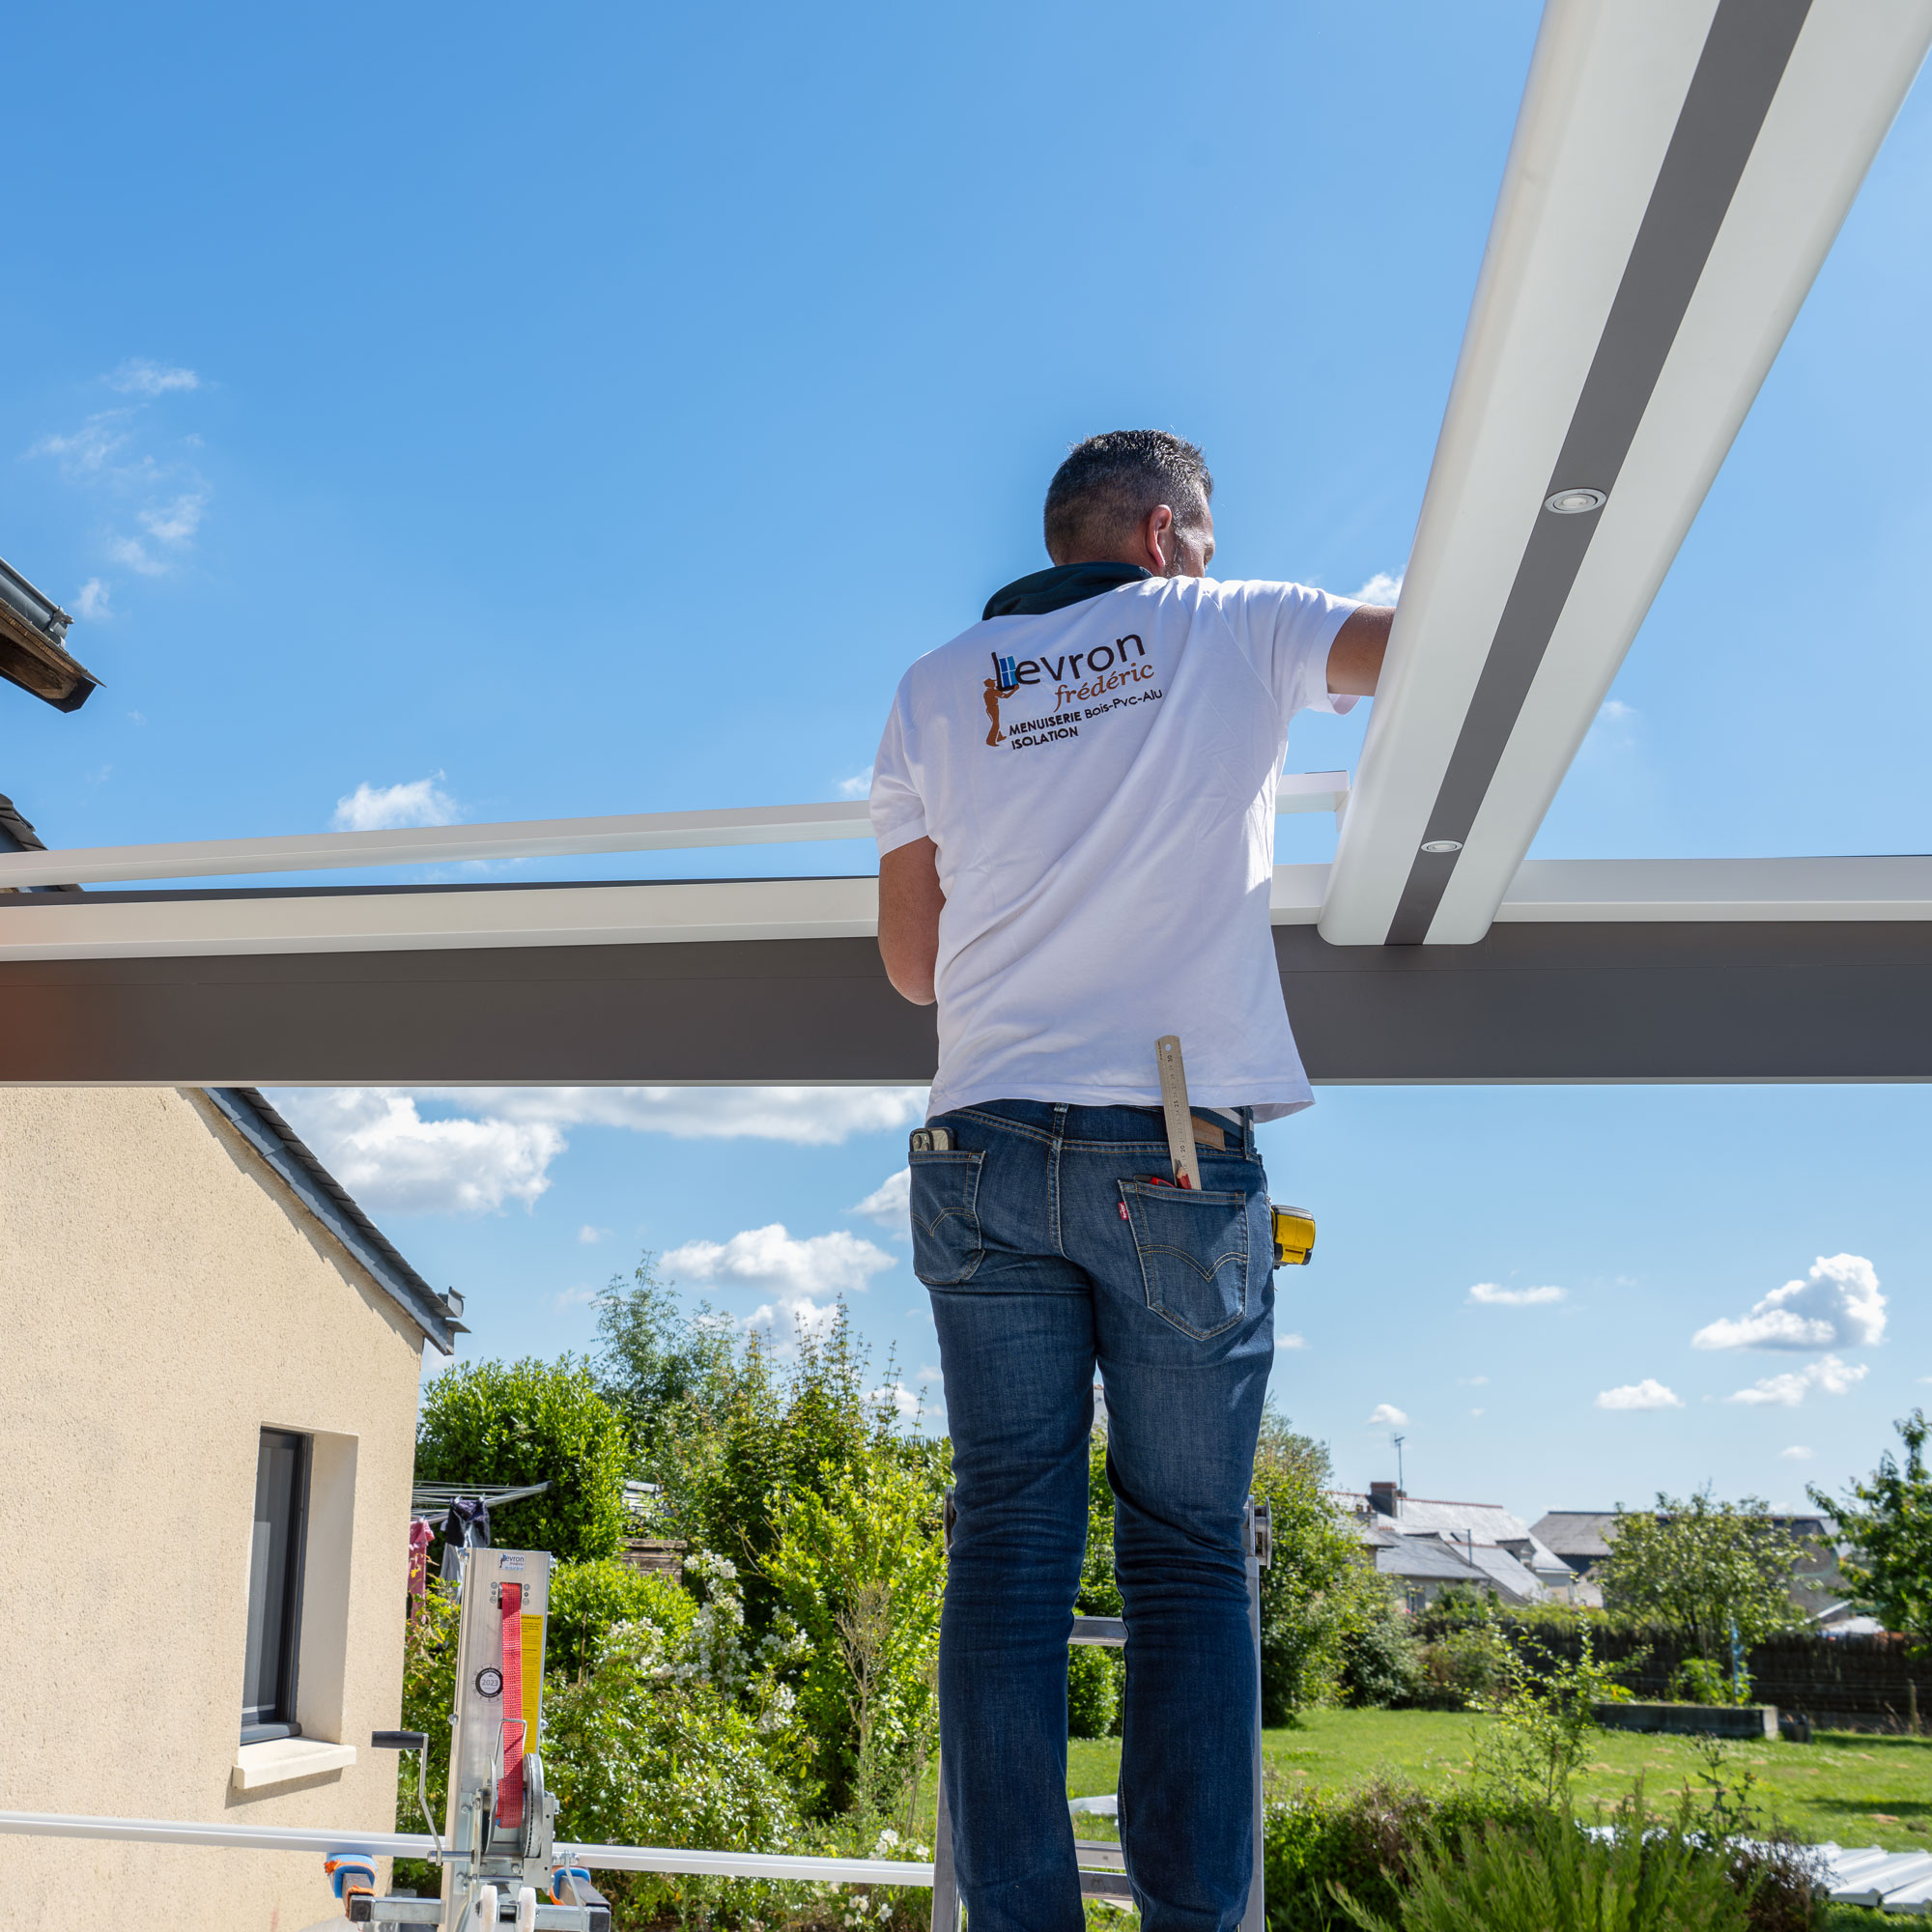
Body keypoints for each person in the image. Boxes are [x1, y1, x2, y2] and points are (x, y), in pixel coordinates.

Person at [867, 430, 1390, 1932]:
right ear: (1168, 534)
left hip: (977, 1146)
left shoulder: (932, 686)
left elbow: (913, 967)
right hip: (1164, 1149)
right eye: (1206, 542)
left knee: (1011, 1541)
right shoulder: (1223, 623)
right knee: (1183, 1551)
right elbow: (1414, 653)